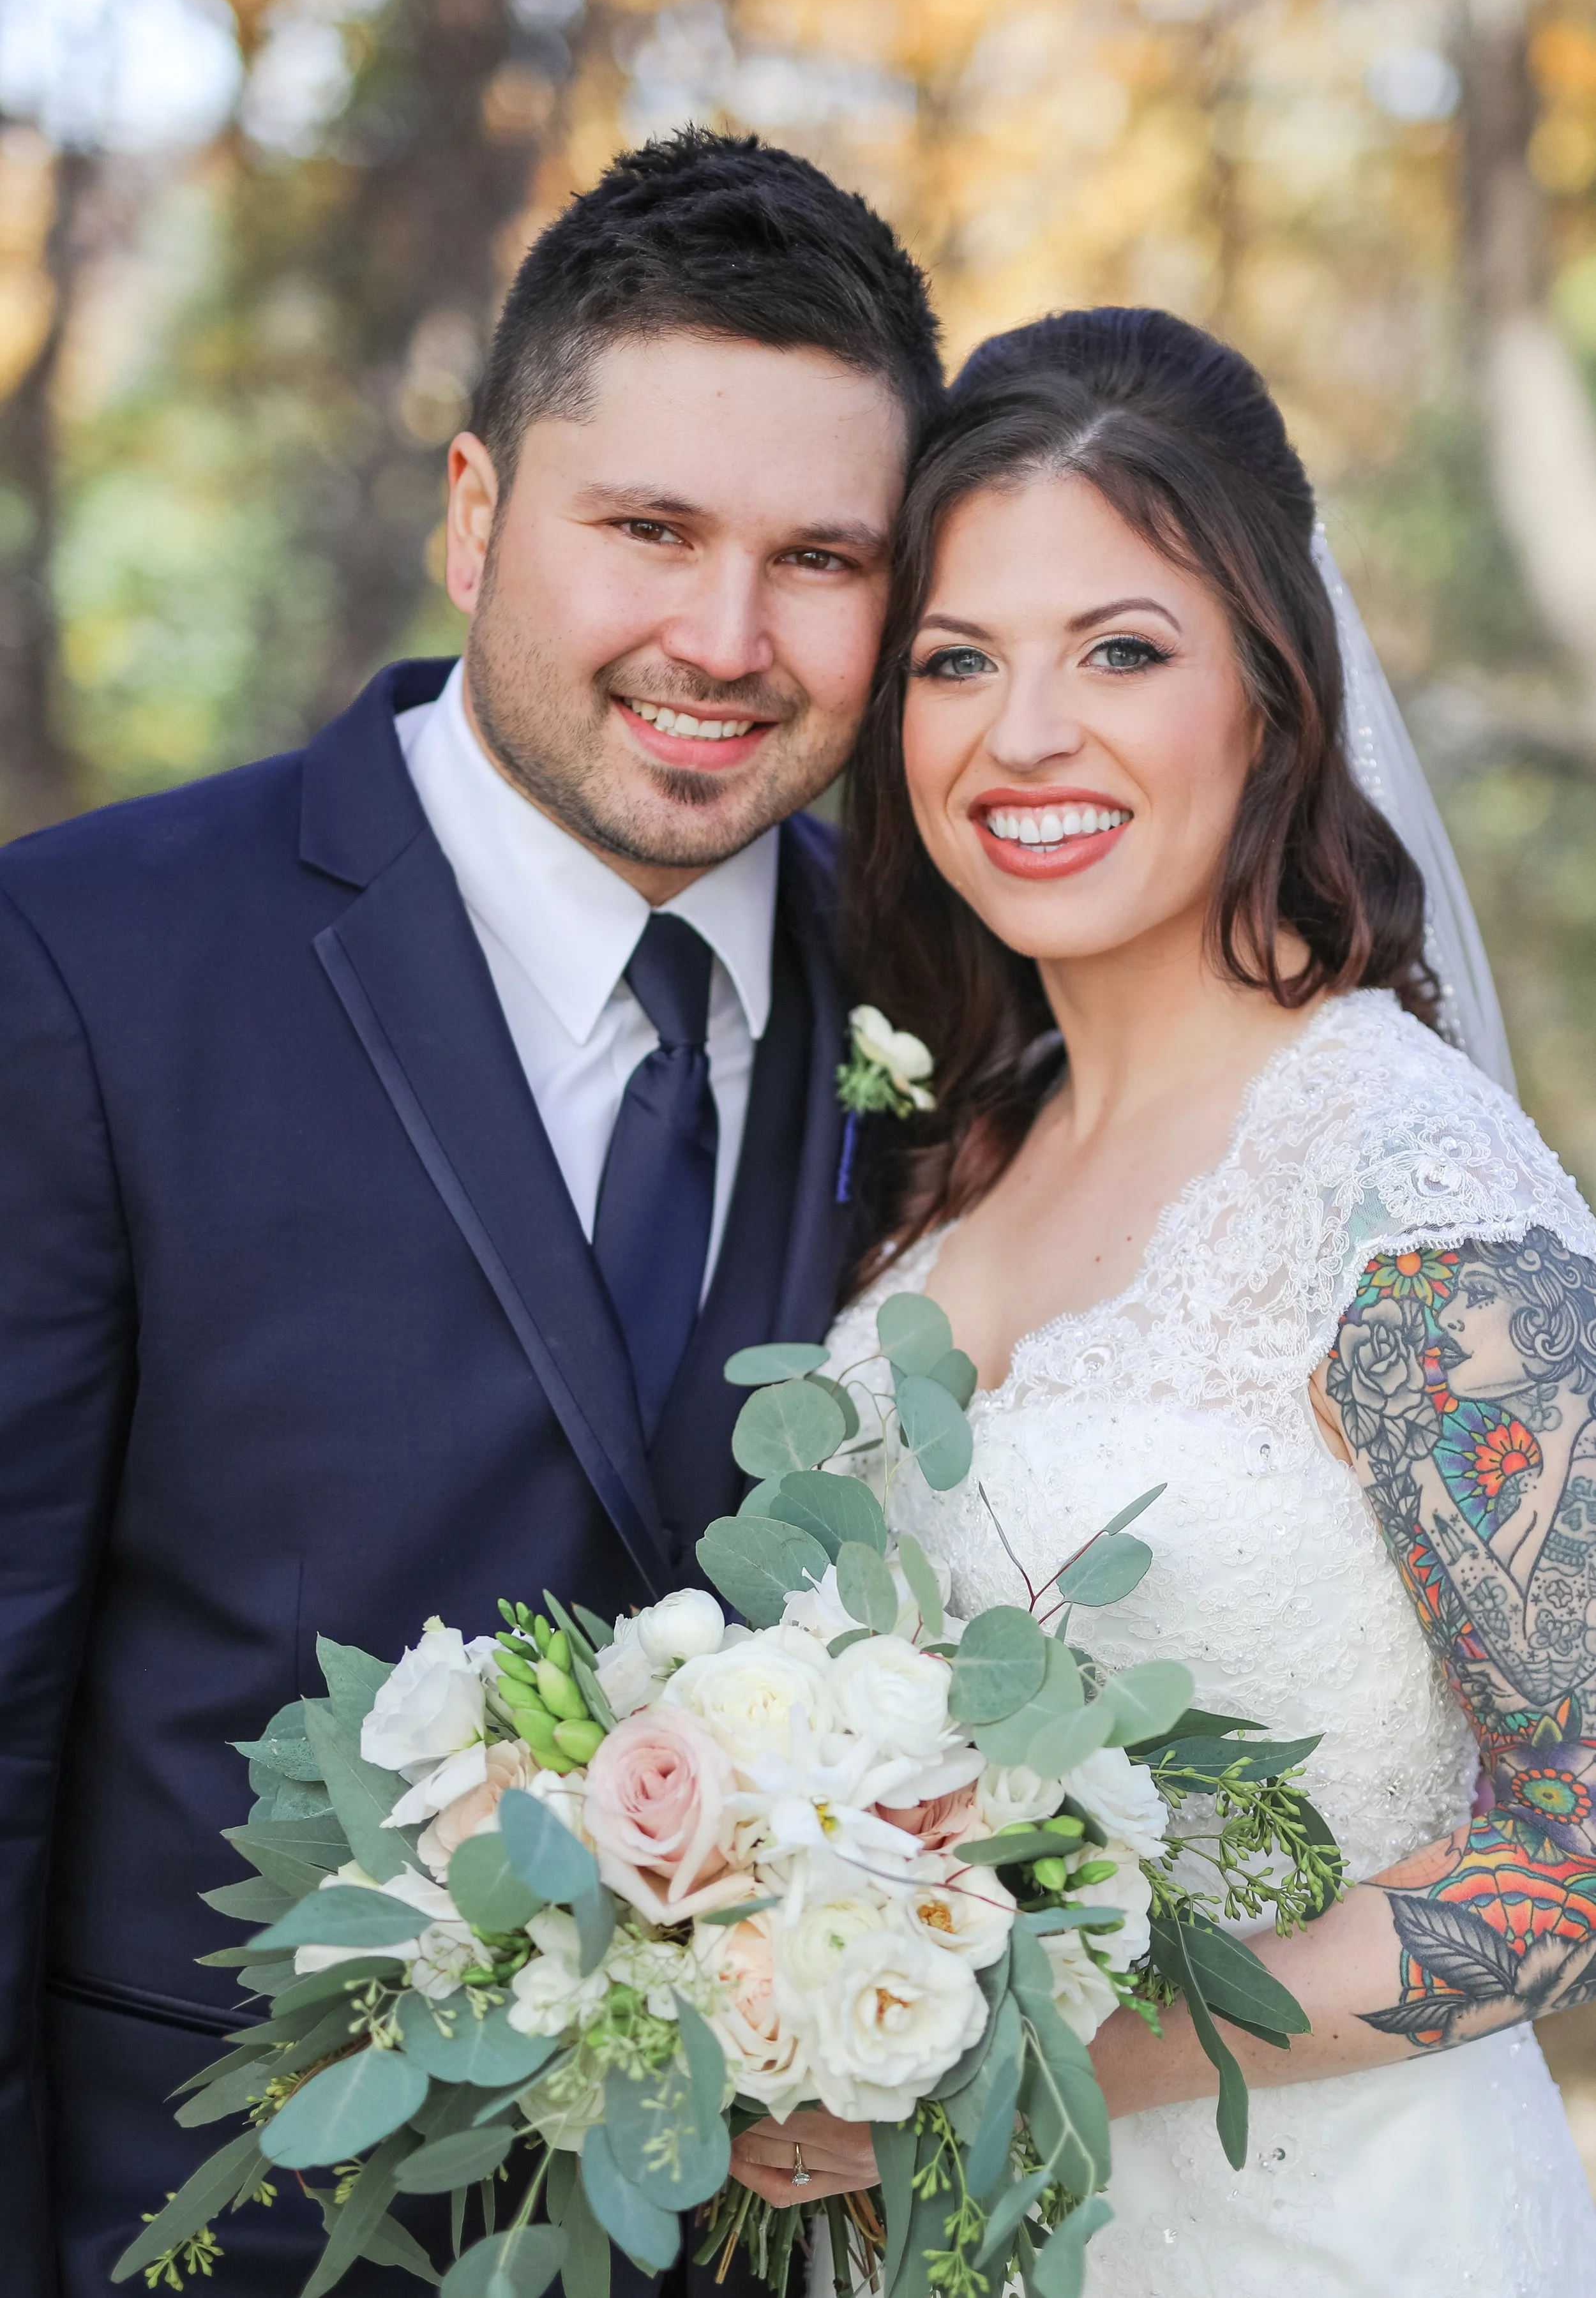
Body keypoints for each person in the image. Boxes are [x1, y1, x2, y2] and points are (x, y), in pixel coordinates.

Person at [0, 128, 940, 2294]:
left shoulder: (951, 1003)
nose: (726, 635)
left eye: (819, 556)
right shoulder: (87, 967)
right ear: (474, 512)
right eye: (649, 529)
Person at [728, 309, 1596, 2290]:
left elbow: (1568, 1849)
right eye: (957, 661)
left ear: (1272, 695)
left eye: (1119, 648)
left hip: (1329, 2231)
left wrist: (998, 2060)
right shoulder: (942, 1159)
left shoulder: (1404, 1182)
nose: (1021, 734)